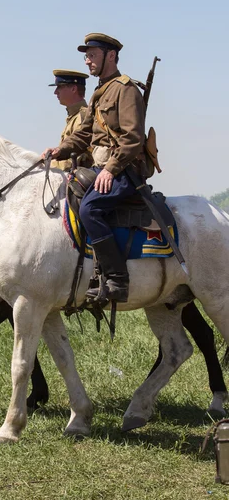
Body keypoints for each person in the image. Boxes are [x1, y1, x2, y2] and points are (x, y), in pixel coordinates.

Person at [42, 33, 146, 303]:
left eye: (92, 55)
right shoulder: (101, 92)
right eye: (86, 56)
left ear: (110, 56)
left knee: (91, 208)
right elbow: (82, 135)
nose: (87, 61)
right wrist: (59, 150)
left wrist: (111, 169)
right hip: (103, 168)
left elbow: (133, 138)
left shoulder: (126, 89)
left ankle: (116, 279)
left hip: (124, 169)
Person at [48, 69, 93, 171]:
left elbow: (73, 160)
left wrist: (48, 167)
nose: (55, 92)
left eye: (60, 87)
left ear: (73, 89)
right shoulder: (75, 116)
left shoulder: (83, 116)